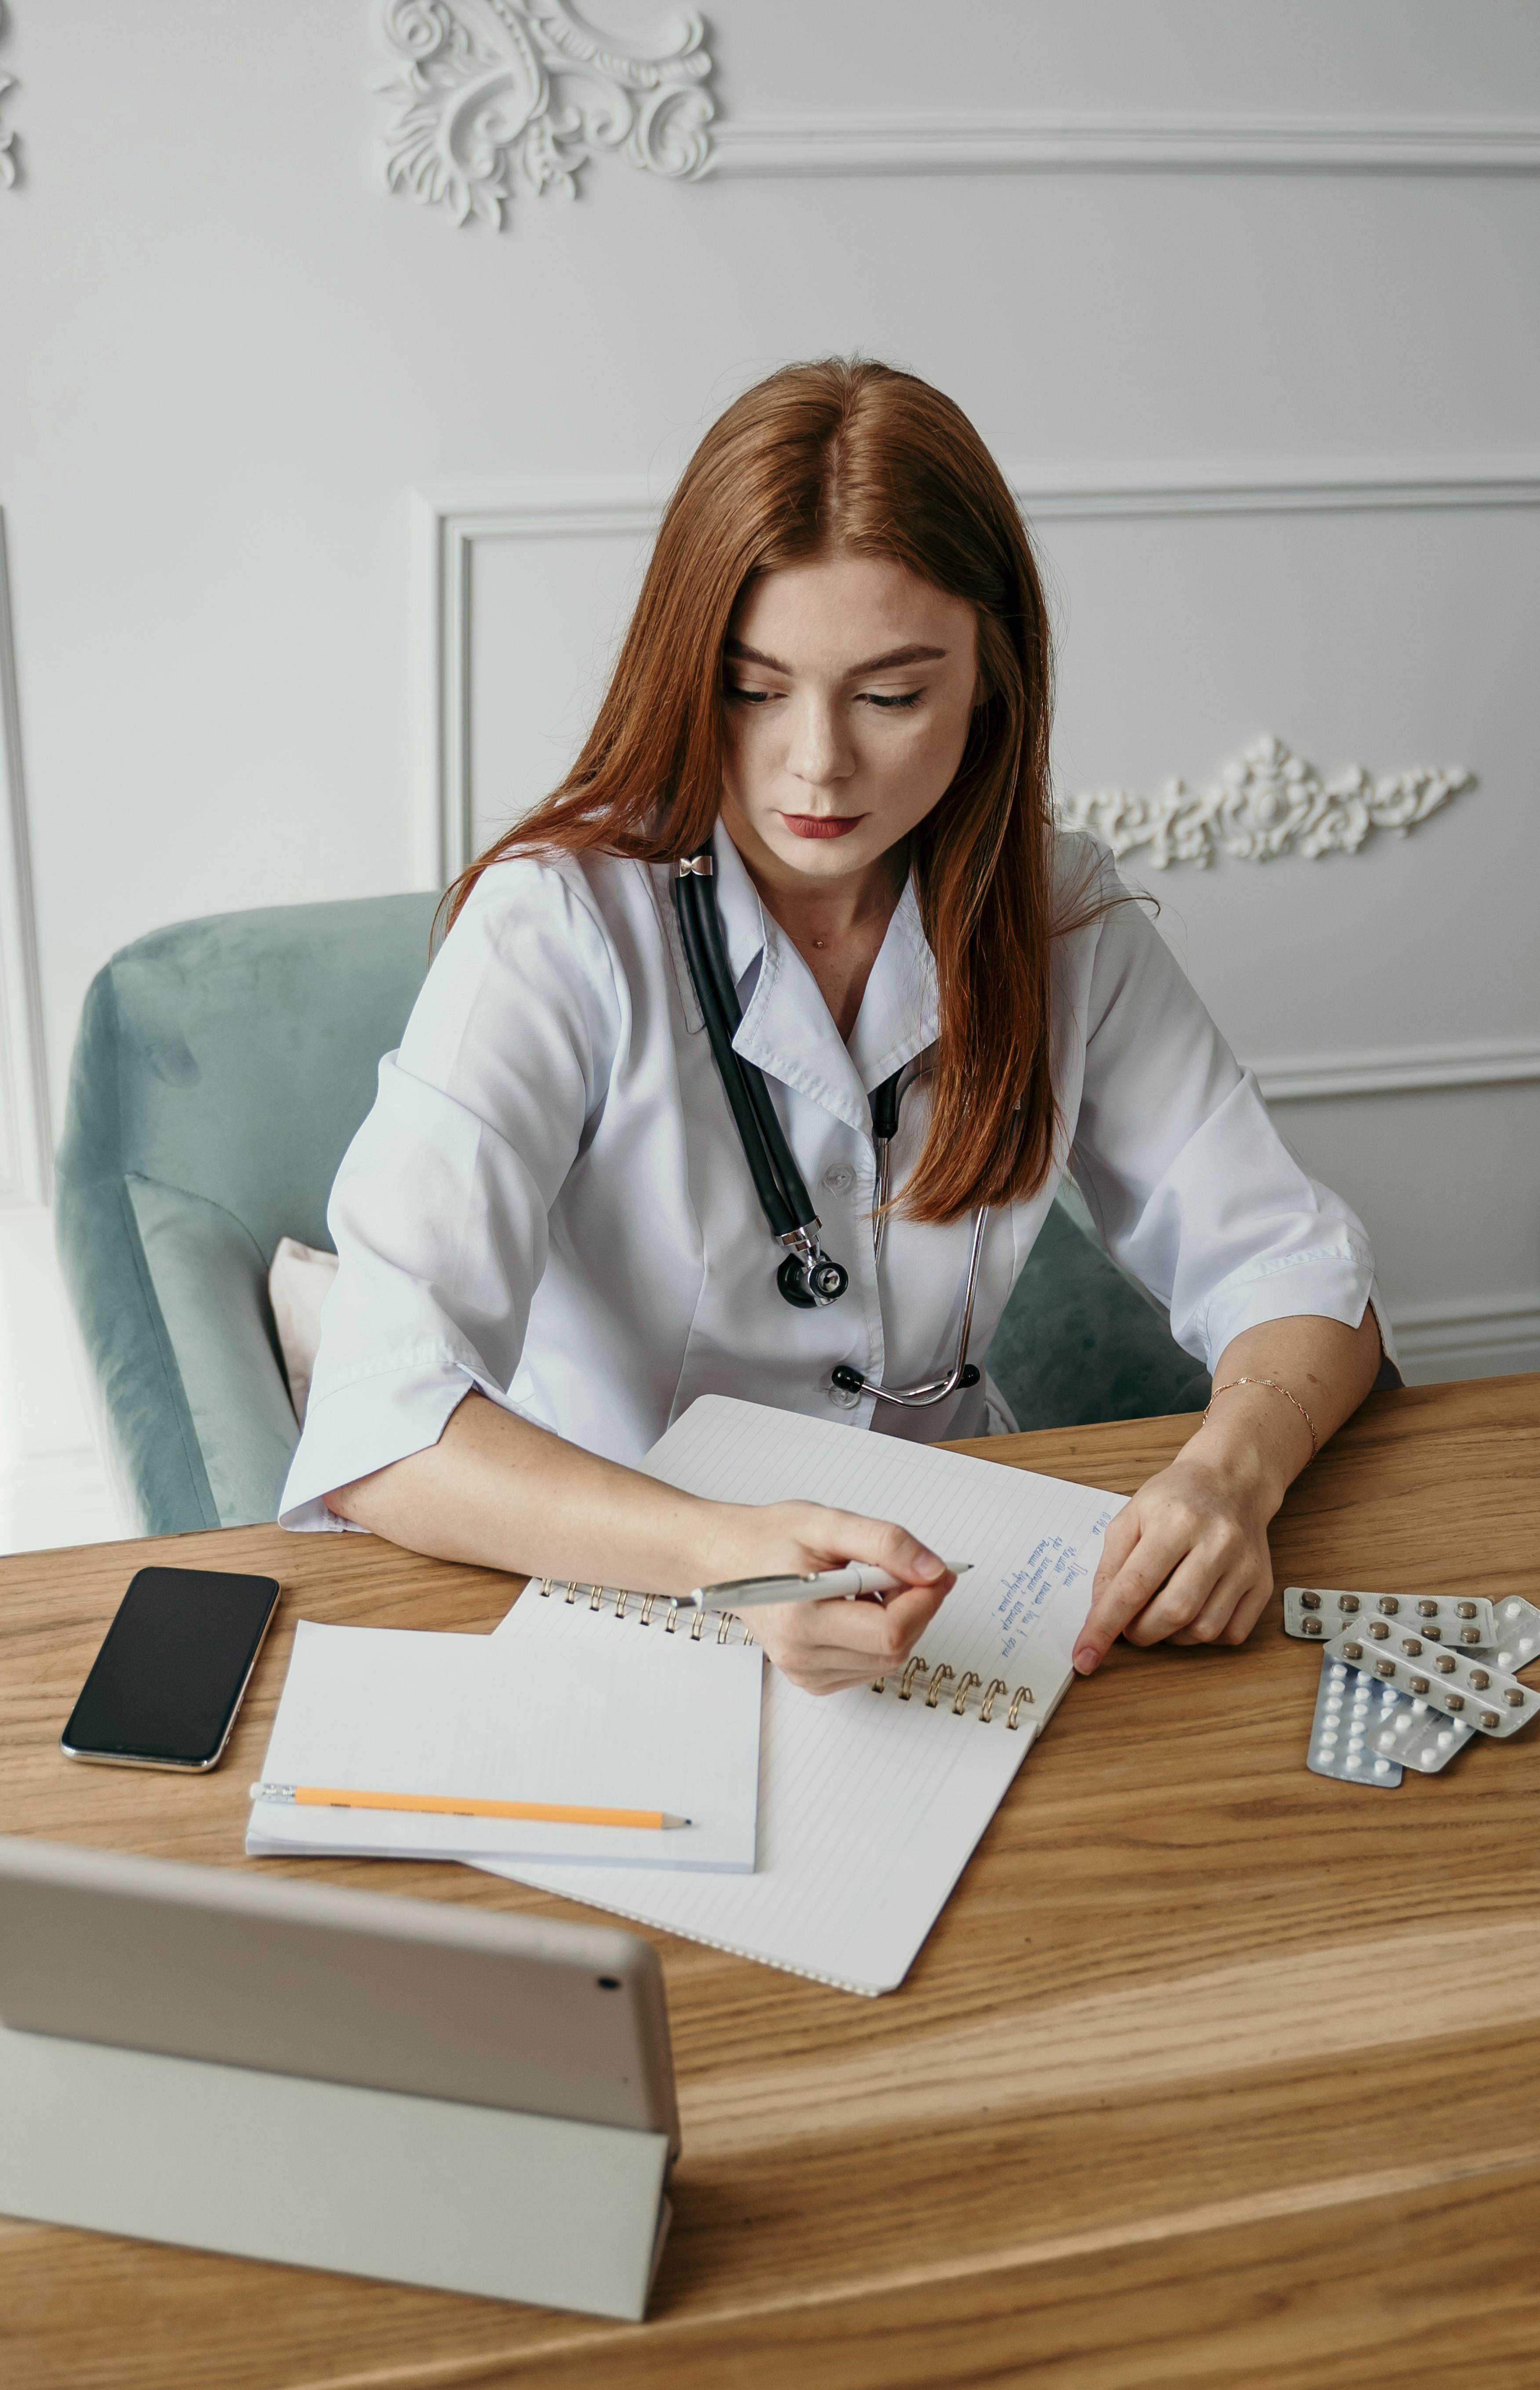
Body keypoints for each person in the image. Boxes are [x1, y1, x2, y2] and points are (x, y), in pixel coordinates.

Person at [280, 357, 1394, 1689]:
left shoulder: (1060, 915)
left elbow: (1295, 1268)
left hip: (962, 1583)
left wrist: (1231, 1474)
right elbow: (380, 1418)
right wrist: (726, 1560)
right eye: (756, 689)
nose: (816, 763)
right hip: (621, 1580)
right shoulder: (553, 927)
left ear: (990, 683)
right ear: (688, 668)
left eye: (889, 696)